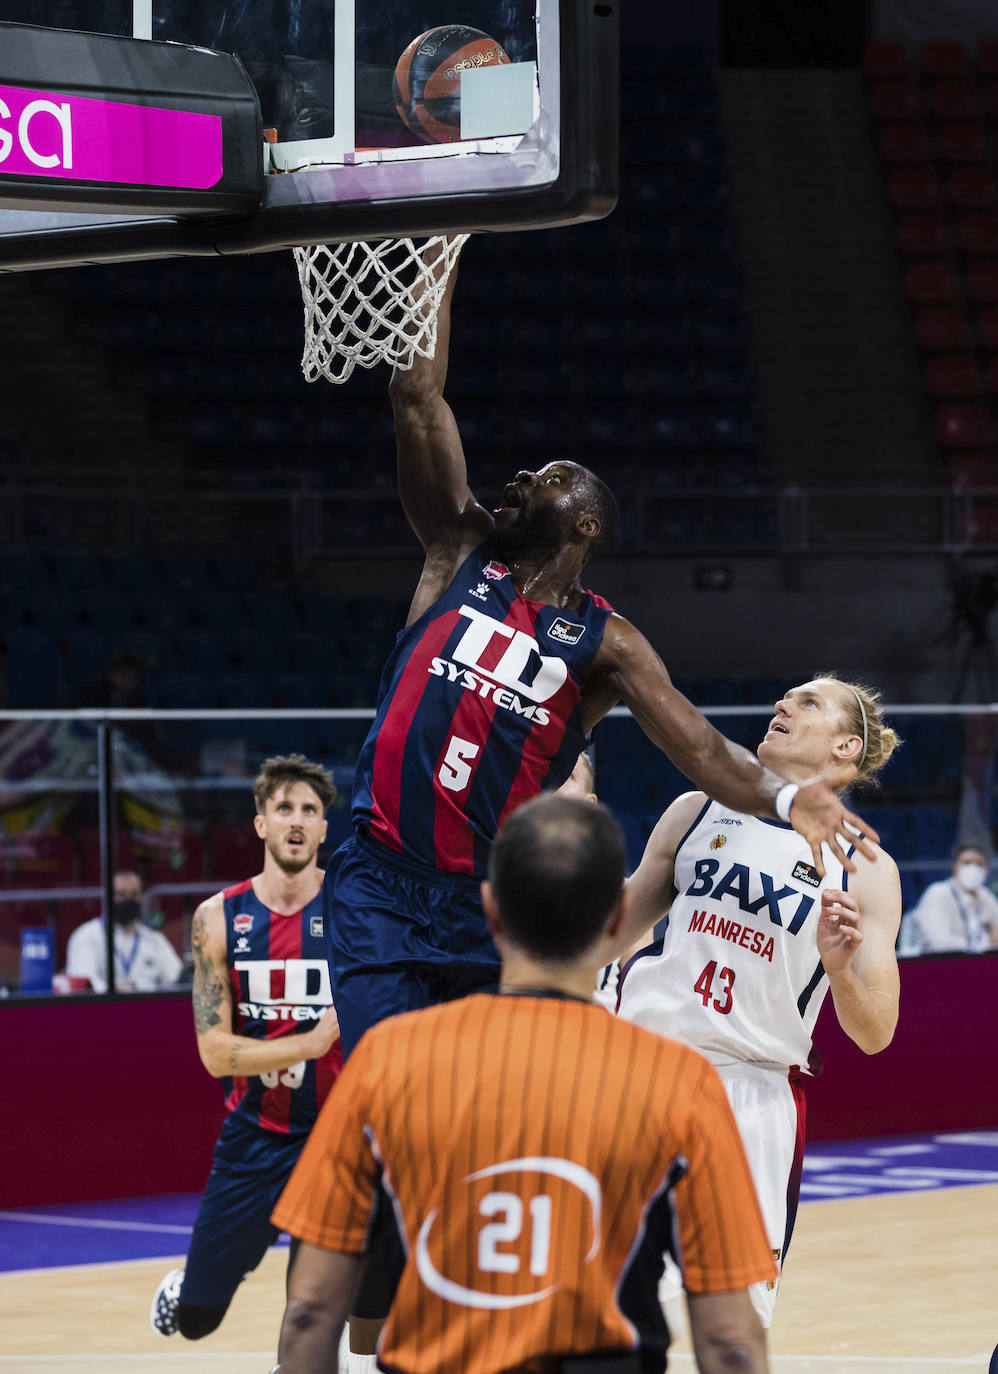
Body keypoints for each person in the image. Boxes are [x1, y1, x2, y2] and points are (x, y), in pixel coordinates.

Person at [325, 247, 879, 1358]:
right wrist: (439, 255)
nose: (527, 477)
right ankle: (377, 1337)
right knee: (398, 1122)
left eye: (553, 477)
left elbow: (700, 747)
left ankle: (500, 1327)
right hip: (383, 884)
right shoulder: (458, 548)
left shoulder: (604, 642)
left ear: (584, 526)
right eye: (528, 469)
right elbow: (413, 395)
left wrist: (787, 800)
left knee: (497, 1134)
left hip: (490, 912)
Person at [274, 794, 776, 1374]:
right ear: (618, 917)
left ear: (489, 910)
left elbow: (310, 1307)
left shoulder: (387, 1058)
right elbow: (732, 1341)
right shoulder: (679, 1081)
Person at [615, 675, 903, 1326]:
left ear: (845, 748)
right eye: (785, 697)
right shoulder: (696, 810)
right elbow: (605, 941)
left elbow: (876, 1028)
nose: (781, 705)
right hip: (637, 1073)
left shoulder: (865, 870)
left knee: (734, 1326)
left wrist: (841, 971)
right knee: (597, 1307)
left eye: (807, 702)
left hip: (749, 1096)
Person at [150, 754, 342, 1341]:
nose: (297, 820)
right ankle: (188, 1288)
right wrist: (309, 1043)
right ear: (260, 822)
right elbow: (213, 1052)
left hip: (332, 1138)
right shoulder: (217, 917)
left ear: (324, 829)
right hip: (253, 1135)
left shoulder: (354, 911)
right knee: (198, 1322)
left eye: (309, 810)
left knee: (312, 1312)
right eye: (284, 807)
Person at [64, 868, 182, 992]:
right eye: (121, 894)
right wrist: (114, 989)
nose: (128, 900)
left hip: (148, 1006)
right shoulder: (86, 936)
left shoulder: (154, 938)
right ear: (109, 897)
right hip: (105, 1008)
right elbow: (84, 984)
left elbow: (176, 978)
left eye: (134, 894)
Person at [899, 843, 998, 955]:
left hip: (977, 963)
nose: (973, 868)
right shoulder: (937, 893)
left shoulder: (986, 896)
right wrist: (986, 942)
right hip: (933, 965)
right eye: (967, 863)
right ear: (954, 867)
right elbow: (940, 943)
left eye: (979, 864)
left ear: (986, 871)